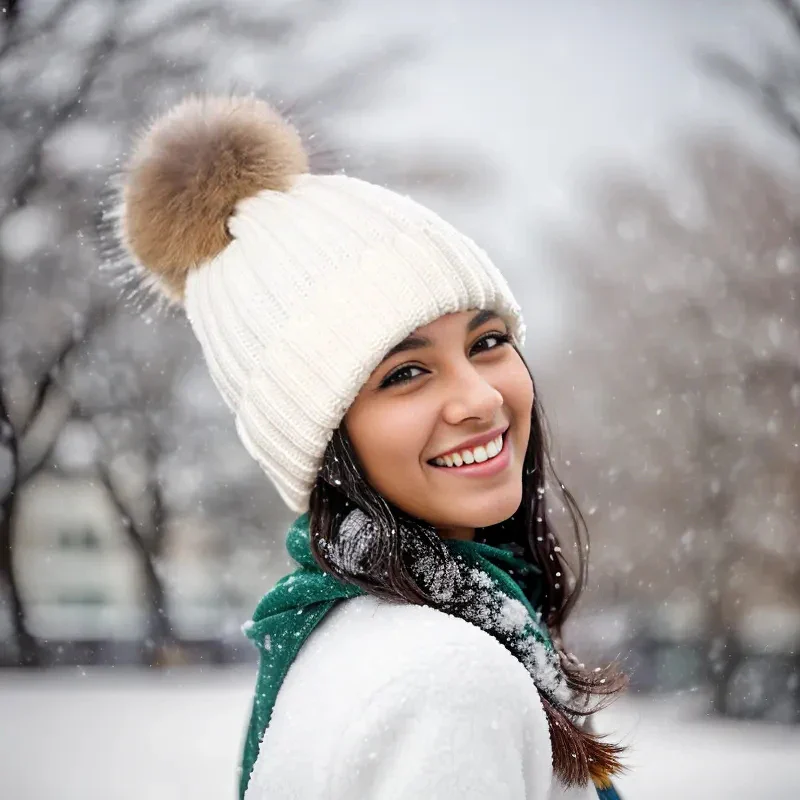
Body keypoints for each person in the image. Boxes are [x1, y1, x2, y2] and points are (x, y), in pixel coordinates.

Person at [115, 94, 629, 800]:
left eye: (488, 342)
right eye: (406, 373)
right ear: (321, 441)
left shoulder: (342, 638)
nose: (480, 397)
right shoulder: (447, 681)